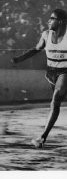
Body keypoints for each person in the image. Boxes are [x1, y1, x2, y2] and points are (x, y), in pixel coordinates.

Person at [12, 9, 67, 148]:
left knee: (55, 101)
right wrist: (19, 59)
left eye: (52, 18)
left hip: (65, 72)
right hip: (51, 73)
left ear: (60, 21)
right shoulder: (46, 34)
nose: (48, 21)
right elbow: (36, 49)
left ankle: (43, 137)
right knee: (57, 101)